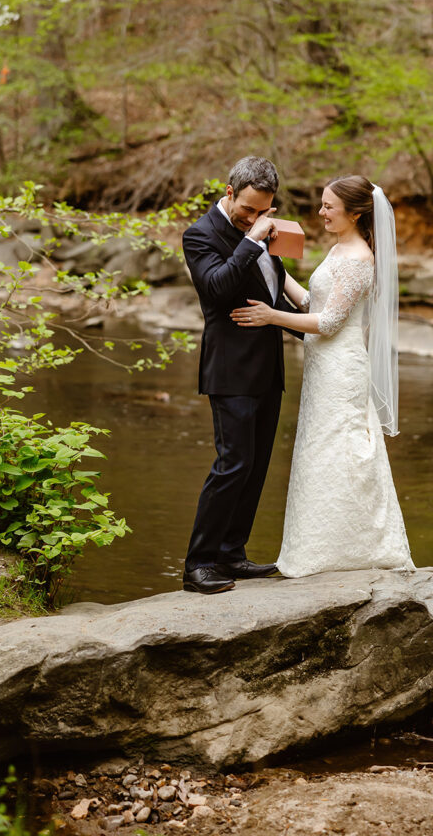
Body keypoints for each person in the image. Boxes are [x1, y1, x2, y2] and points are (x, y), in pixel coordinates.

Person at [231, 175, 414, 577]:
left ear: (356, 213)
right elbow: (315, 302)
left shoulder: (359, 259)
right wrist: (273, 265)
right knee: (320, 450)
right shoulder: (339, 250)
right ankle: (319, 549)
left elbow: (330, 322)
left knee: (340, 449)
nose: (321, 212)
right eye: (322, 204)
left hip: (341, 367)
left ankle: (354, 548)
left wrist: (270, 316)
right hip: (322, 366)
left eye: (329, 206)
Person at [182, 156, 301, 594]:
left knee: (255, 467)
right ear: (229, 192)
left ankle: (232, 553)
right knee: (231, 465)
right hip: (230, 370)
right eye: (248, 208)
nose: (254, 217)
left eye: (263, 210)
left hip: (269, 368)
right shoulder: (199, 235)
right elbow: (216, 289)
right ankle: (198, 564)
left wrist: (319, 332)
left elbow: (268, 298)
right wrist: (251, 239)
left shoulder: (267, 234)